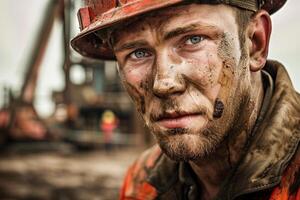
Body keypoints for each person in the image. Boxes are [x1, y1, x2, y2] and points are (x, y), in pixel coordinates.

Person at [71, 0, 299, 199]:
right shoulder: (142, 183)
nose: (163, 83)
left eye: (193, 40)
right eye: (138, 53)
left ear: (255, 43)